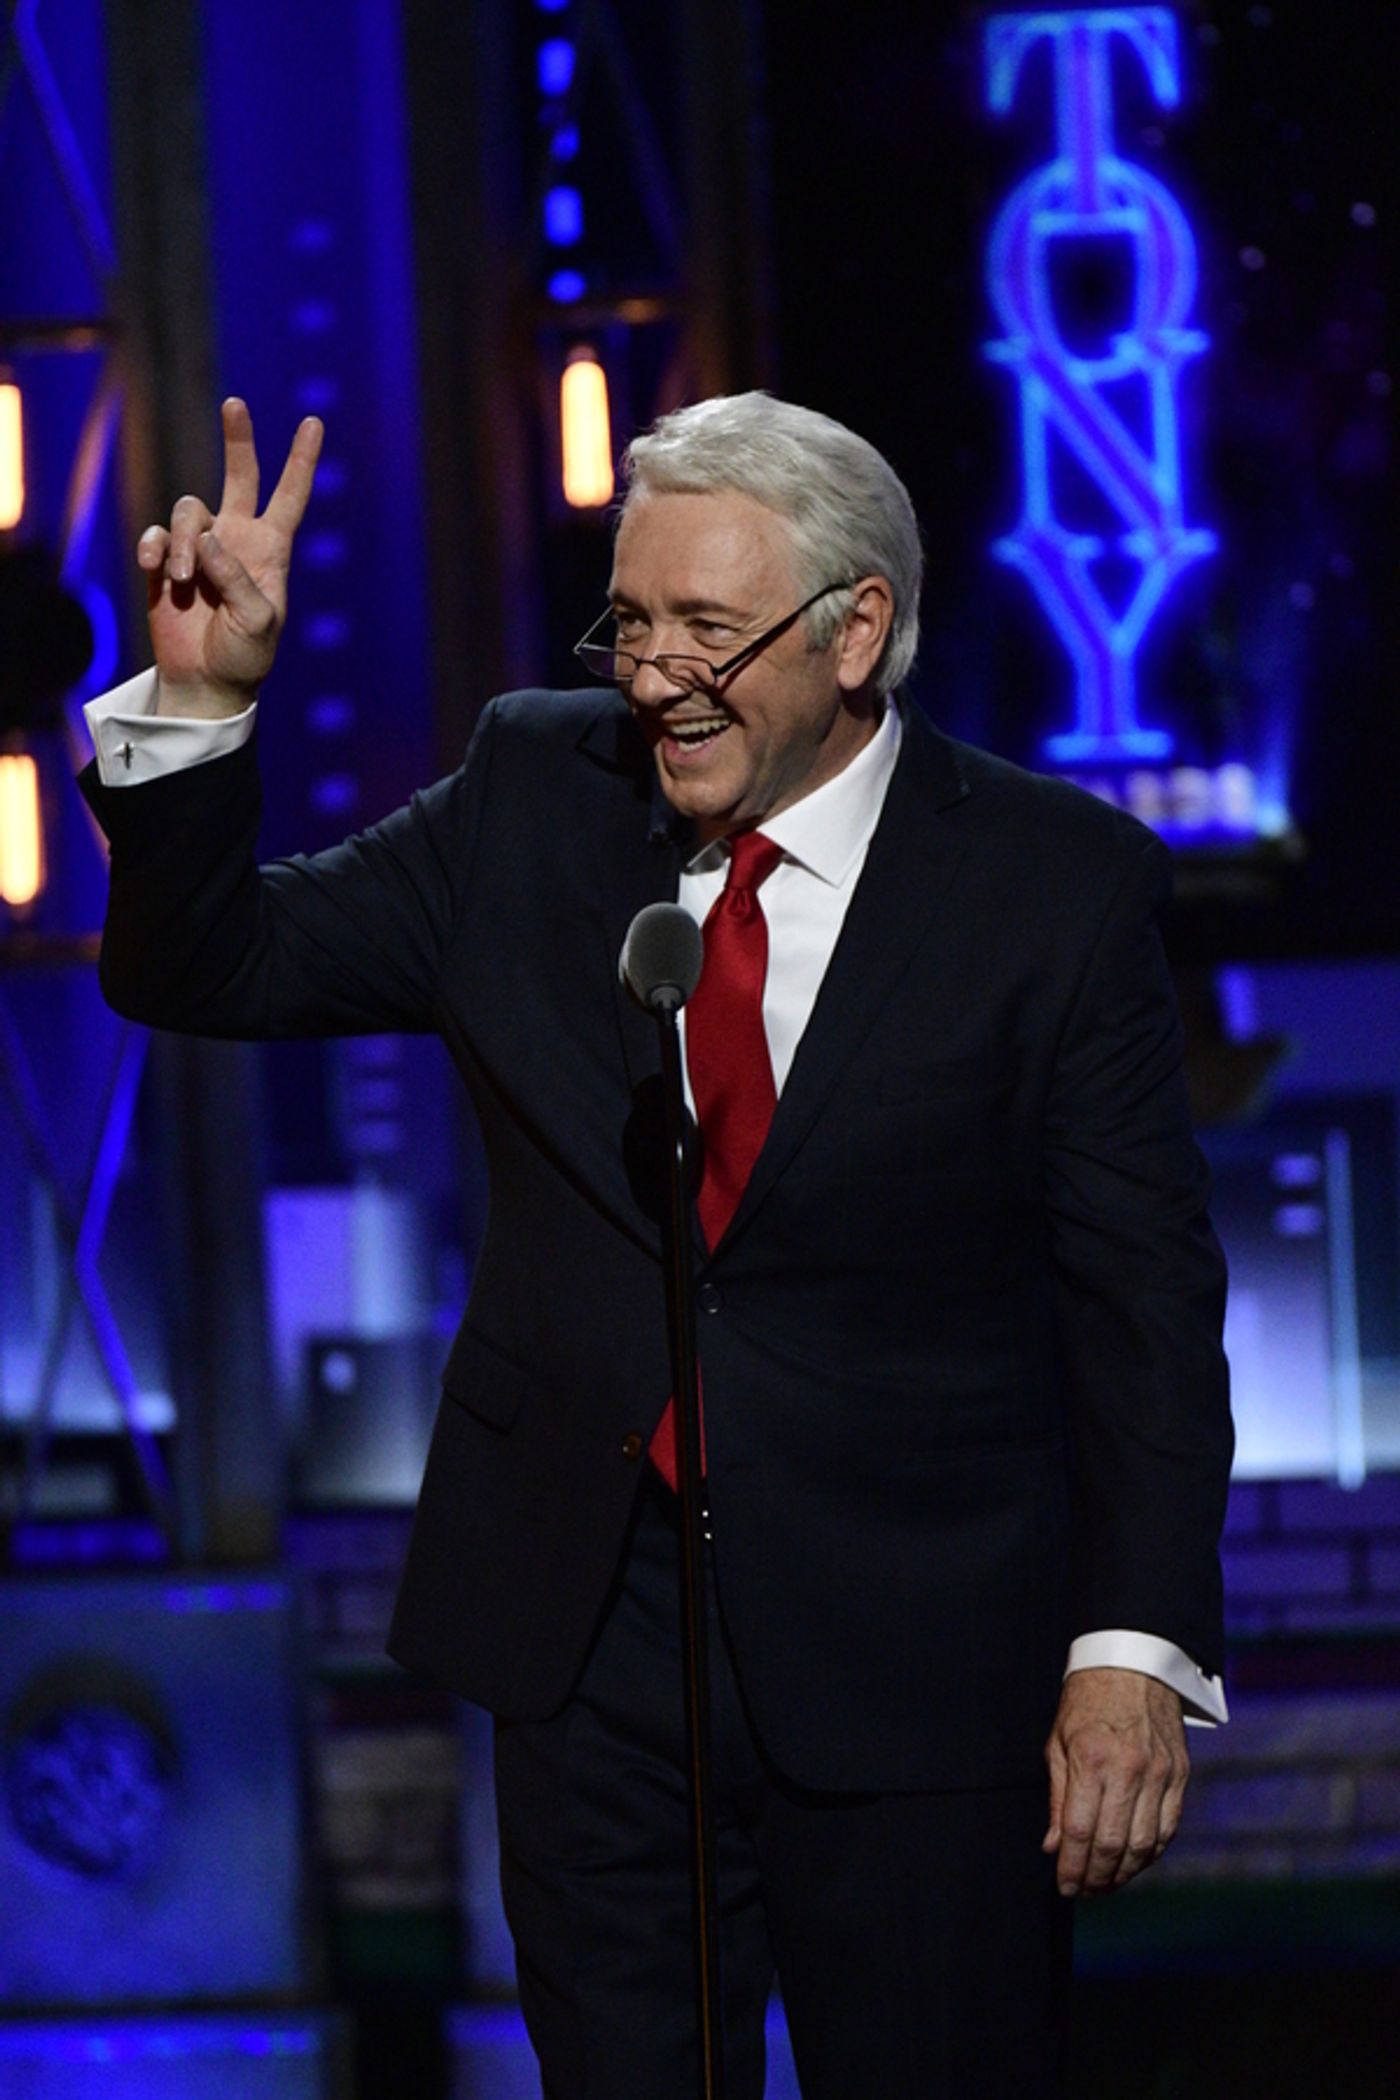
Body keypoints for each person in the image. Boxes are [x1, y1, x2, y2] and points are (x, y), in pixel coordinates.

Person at [82, 391, 1233, 2098]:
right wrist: (200, 704)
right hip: (591, 1641)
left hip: (921, 1656)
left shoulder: (1056, 892)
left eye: (710, 628)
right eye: (632, 620)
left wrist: (1129, 1651)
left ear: (859, 634)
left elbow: (1144, 1295)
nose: (653, 674)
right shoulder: (534, 795)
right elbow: (208, 966)